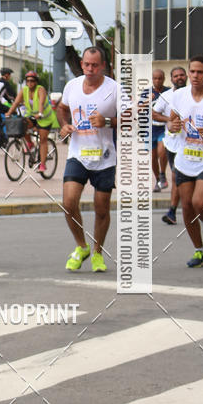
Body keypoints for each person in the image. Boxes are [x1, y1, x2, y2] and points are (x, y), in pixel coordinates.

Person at [57, 46, 120, 273]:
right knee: (68, 203)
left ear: (103, 65)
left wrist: (108, 122)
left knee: (101, 209)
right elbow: (62, 108)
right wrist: (64, 125)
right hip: (78, 154)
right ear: (82, 64)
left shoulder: (114, 89)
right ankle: (81, 246)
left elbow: (132, 119)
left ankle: (97, 253)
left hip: (104, 157)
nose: (90, 69)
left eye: (95, 65)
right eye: (86, 64)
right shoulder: (72, 86)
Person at [165, 56, 203, 267]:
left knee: (200, 202)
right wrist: (172, 126)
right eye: (192, 72)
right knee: (188, 207)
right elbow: (172, 120)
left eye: (200, 72)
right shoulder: (180, 96)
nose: (195, 76)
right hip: (184, 159)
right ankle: (199, 252)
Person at [152, 66, 188, 225]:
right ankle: (173, 211)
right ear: (171, 79)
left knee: (184, 179)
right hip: (173, 144)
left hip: (193, 145)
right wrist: (169, 120)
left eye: (182, 75)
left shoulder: (193, 95)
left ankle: (190, 207)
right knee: (176, 177)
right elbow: (154, 113)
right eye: (176, 76)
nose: (179, 78)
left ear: (186, 76)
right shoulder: (166, 96)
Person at [6, 71, 59, 173]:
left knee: (43, 140)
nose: (30, 83)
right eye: (28, 81)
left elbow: (41, 102)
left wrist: (40, 113)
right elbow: (16, 102)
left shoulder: (40, 89)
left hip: (45, 118)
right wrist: (8, 113)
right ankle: (30, 143)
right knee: (22, 125)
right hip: (32, 116)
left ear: (36, 82)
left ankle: (42, 165)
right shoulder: (24, 90)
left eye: (32, 81)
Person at [140, 68, 169, 192]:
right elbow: (138, 108)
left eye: (160, 78)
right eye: (155, 78)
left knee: (162, 151)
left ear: (164, 79)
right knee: (152, 157)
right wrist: (148, 101)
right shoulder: (147, 92)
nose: (157, 80)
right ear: (152, 79)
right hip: (149, 128)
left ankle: (162, 174)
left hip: (163, 127)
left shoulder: (168, 92)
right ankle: (157, 180)